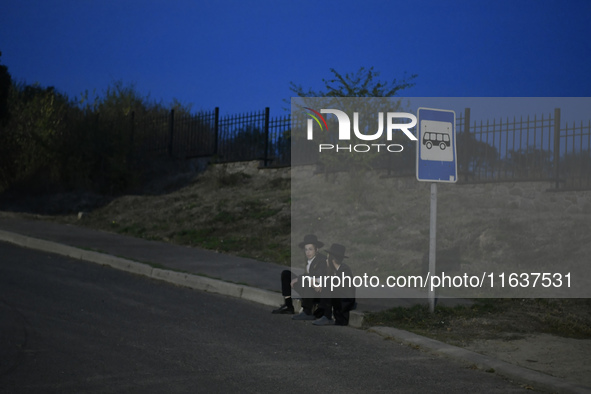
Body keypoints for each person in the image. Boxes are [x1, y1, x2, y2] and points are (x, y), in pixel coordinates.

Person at [272, 234, 327, 320]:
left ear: (316, 249)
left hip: (318, 292)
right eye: (306, 250)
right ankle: (288, 305)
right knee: (286, 274)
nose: (307, 252)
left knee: (308, 280)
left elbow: (317, 276)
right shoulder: (309, 259)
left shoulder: (322, 260)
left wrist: (299, 278)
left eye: (310, 249)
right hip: (308, 291)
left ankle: (307, 311)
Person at [313, 243, 356, 326]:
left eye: (328, 257)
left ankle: (327, 316)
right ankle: (322, 313)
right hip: (338, 301)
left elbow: (345, 294)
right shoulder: (335, 270)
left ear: (332, 259)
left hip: (343, 305)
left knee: (328, 282)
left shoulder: (344, 271)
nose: (326, 260)